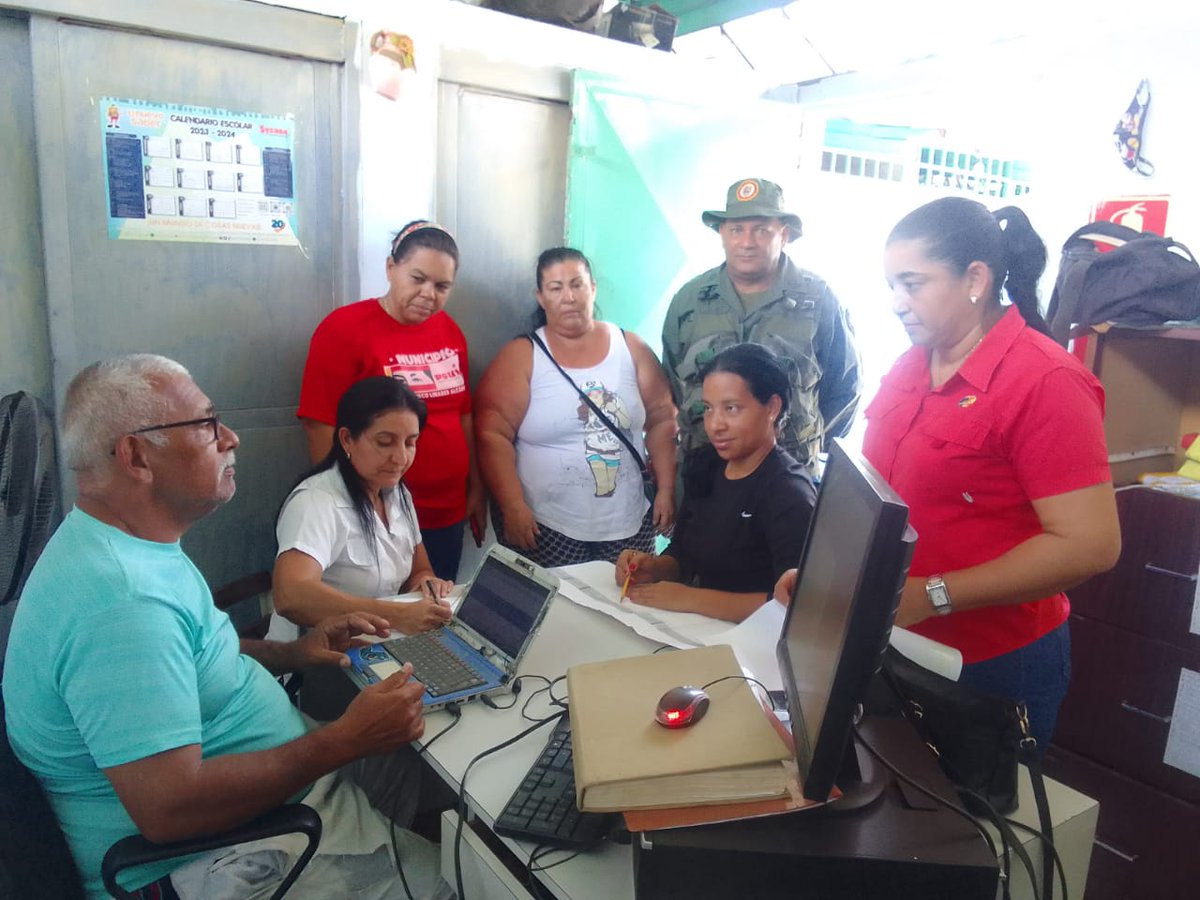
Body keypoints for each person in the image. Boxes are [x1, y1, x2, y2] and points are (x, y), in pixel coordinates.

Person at [2, 355, 449, 899]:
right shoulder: (123, 604)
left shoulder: (132, 544)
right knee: (463, 880)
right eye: (207, 424)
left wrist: (295, 653)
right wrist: (344, 740)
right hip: (215, 855)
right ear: (137, 456)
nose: (231, 437)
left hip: (276, 791)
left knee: (409, 768)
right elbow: (170, 812)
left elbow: (196, 655)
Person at [776, 197, 1121, 749]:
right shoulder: (915, 361)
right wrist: (830, 580)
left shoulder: (1045, 381)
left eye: (913, 284)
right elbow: (879, 494)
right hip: (896, 642)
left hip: (988, 666)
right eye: (892, 285)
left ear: (975, 279)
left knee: (975, 829)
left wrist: (932, 595)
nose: (896, 303)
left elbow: (1090, 545)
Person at [298, 220, 484, 581]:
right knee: (380, 622)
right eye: (418, 278)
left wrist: (476, 487)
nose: (429, 293)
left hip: (446, 513)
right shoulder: (344, 330)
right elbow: (320, 426)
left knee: (432, 619)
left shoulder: (450, 331)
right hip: (377, 517)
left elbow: (464, 416)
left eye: (442, 285)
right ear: (391, 268)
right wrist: (350, 509)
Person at [475, 247, 677, 567]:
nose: (568, 296)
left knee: (626, 608)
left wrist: (666, 488)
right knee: (553, 612)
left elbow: (663, 420)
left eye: (576, 284)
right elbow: (491, 433)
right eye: (556, 288)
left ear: (592, 288)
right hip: (545, 524)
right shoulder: (523, 355)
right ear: (540, 297)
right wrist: (512, 505)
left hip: (627, 521)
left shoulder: (631, 347)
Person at [661, 177, 861, 481]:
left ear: (785, 234)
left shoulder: (819, 301)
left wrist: (801, 439)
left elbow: (844, 388)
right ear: (721, 234)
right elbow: (671, 383)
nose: (747, 242)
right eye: (736, 229)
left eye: (761, 230)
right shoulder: (690, 300)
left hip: (785, 474)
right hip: (705, 472)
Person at [615, 343, 815, 623]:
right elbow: (683, 555)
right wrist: (655, 568)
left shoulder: (789, 493)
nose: (715, 425)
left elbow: (793, 607)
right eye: (708, 409)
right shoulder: (705, 464)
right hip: (696, 625)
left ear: (772, 407)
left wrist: (690, 598)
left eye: (731, 408)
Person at [273, 376, 453, 640]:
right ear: (347, 439)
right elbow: (291, 595)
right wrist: (396, 615)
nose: (401, 458)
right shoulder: (316, 501)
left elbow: (419, 570)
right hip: (316, 661)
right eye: (384, 442)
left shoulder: (396, 492)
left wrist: (426, 584)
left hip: (376, 645)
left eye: (410, 442)